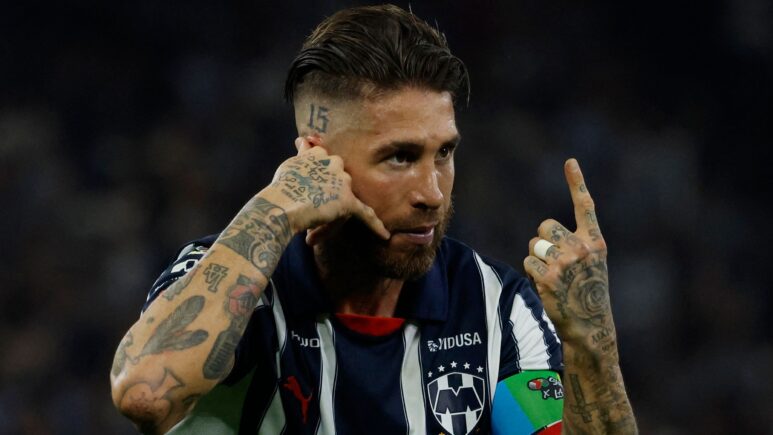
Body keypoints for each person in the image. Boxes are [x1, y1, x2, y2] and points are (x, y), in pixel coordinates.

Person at [110, 4, 637, 434]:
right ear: (317, 160)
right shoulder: (231, 280)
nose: (432, 193)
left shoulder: (494, 306)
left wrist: (592, 346)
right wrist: (274, 207)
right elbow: (143, 395)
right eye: (400, 157)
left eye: (444, 153)